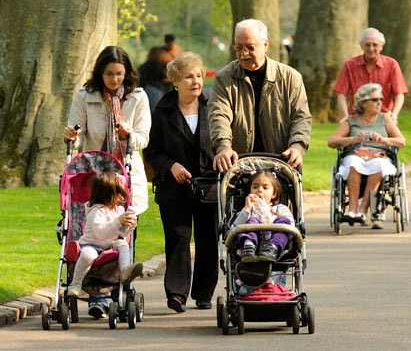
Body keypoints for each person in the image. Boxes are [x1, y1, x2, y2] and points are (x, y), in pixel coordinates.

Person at [63, 45, 151, 318]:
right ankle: (95, 297)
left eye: (119, 74)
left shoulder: (137, 97)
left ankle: (117, 293)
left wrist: (128, 135)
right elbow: (77, 133)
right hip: (97, 176)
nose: (114, 80)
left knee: (120, 238)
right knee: (94, 238)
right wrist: (71, 137)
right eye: (109, 74)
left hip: (125, 176)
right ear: (100, 73)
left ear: (127, 73)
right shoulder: (85, 96)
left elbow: (143, 138)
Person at [143, 52, 218, 313]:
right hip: (174, 189)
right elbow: (151, 151)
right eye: (189, 76)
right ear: (175, 80)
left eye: (199, 75)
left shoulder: (213, 108)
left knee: (208, 240)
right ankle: (176, 294)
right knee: (177, 239)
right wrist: (171, 165)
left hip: (208, 186)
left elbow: (225, 141)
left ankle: (203, 293)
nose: (196, 81)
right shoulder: (162, 112)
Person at [209, 18, 312, 172]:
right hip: (238, 163)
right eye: (238, 48)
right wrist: (223, 147)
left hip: (281, 162)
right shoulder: (224, 78)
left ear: (265, 45)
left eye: (250, 47)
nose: (244, 54)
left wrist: (297, 147)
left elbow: (301, 118)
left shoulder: (290, 78)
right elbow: (219, 116)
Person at [327, 83, 406, 229]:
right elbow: (331, 141)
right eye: (375, 100)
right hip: (356, 154)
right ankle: (352, 210)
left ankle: (363, 210)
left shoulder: (385, 119)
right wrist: (353, 139)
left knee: (378, 164)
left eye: (380, 99)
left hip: (380, 155)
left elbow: (401, 141)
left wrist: (384, 140)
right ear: (363, 103)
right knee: (353, 162)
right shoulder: (351, 121)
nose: (379, 103)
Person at [67, 172, 144, 298]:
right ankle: (76, 284)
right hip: (91, 244)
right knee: (88, 255)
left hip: (109, 244)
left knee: (123, 244)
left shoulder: (118, 210)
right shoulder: (96, 212)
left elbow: (121, 234)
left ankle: (125, 271)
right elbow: (101, 233)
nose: (122, 197)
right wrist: (119, 221)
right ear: (108, 194)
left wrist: (129, 226)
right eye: (119, 193)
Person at [333, 27, 408, 124]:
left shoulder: (391, 64)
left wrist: (394, 115)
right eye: (367, 45)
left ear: (381, 46)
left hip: (384, 118)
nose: (371, 49)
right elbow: (341, 94)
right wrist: (345, 116)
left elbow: (399, 94)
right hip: (356, 117)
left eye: (375, 45)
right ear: (361, 46)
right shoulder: (349, 65)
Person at [233, 170, 295, 262]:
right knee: (252, 220)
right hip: (251, 246)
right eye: (255, 187)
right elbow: (234, 228)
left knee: (284, 220)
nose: (259, 190)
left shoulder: (280, 208)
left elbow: (291, 227)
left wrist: (272, 221)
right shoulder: (247, 210)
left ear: (274, 194)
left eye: (265, 188)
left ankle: (273, 247)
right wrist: (246, 209)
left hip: (276, 243)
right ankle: (249, 246)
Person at [138, 46, 172, 111]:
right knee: (156, 111)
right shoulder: (156, 64)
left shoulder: (146, 64)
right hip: (155, 89)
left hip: (146, 88)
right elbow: (161, 77)